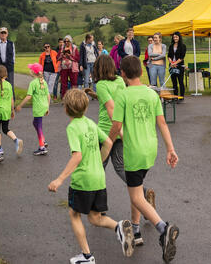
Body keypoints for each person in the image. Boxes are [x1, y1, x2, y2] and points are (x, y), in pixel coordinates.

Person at [48, 89, 135, 263]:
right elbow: (109, 141)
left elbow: (77, 156)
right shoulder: (90, 123)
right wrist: (100, 159)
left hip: (83, 181)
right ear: (86, 108)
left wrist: (60, 179)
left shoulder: (72, 127)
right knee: (95, 218)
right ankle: (118, 226)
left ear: (66, 109)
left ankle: (87, 256)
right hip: (98, 178)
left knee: (74, 214)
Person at [111, 56, 179, 263]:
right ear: (141, 71)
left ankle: (163, 228)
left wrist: (108, 142)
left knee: (136, 196)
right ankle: (137, 229)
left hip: (134, 151)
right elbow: (163, 124)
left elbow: (116, 125)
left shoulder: (123, 95)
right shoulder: (151, 94)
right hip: (151, 149)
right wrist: (170, 149)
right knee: (136, 189)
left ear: (122, 73)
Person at [91, 54, 155, 247]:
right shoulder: (120, 80)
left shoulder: (101, 85)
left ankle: (99, 209)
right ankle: (142, 193)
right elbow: (117, 101)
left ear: (97, 69)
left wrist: (112, 134)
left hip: (106, 133)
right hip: (121, 131)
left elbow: (111, 108)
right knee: (121, 168)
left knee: (98, 169)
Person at [15, 63, 51, 156]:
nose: (29, 70)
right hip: (44, 106)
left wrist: (20, 105)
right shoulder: (43, 81)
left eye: (30, 69)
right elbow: (48, 95)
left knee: (38, 126)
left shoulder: (33, 83)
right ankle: (43, 140)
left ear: (33, 72)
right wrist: (47, 107)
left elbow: (28, 96)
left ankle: (42, 147)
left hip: (38, 108)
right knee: (35, 123)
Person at [0, 65, 22, 163]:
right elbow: (12, 99)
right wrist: (12, 110)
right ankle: (16, 140)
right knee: (5, 129)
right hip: (7, 110)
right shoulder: (9, 85)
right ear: (6, 74)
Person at [0, 27, 16, 99]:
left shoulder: (11, 44)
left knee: (10, 85)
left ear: (7, 34)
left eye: (4, 33)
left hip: (9, 67)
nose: (3, 34)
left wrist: (12, 63)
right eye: (2, 33)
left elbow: (13, 55)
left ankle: (12, 103)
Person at [167, 32, 187, 98]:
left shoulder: (183, 46)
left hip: (180, 66)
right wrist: (171, 63)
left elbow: (182, 57)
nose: (175, 38)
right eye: (174, 37)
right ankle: (175, 96)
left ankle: (181, 97)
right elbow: (169, 56)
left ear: (179, 37)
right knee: (174, 82)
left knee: (180, 81)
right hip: (172, 66)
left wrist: (175, 63)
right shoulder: (171, 46)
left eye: (176, 37)